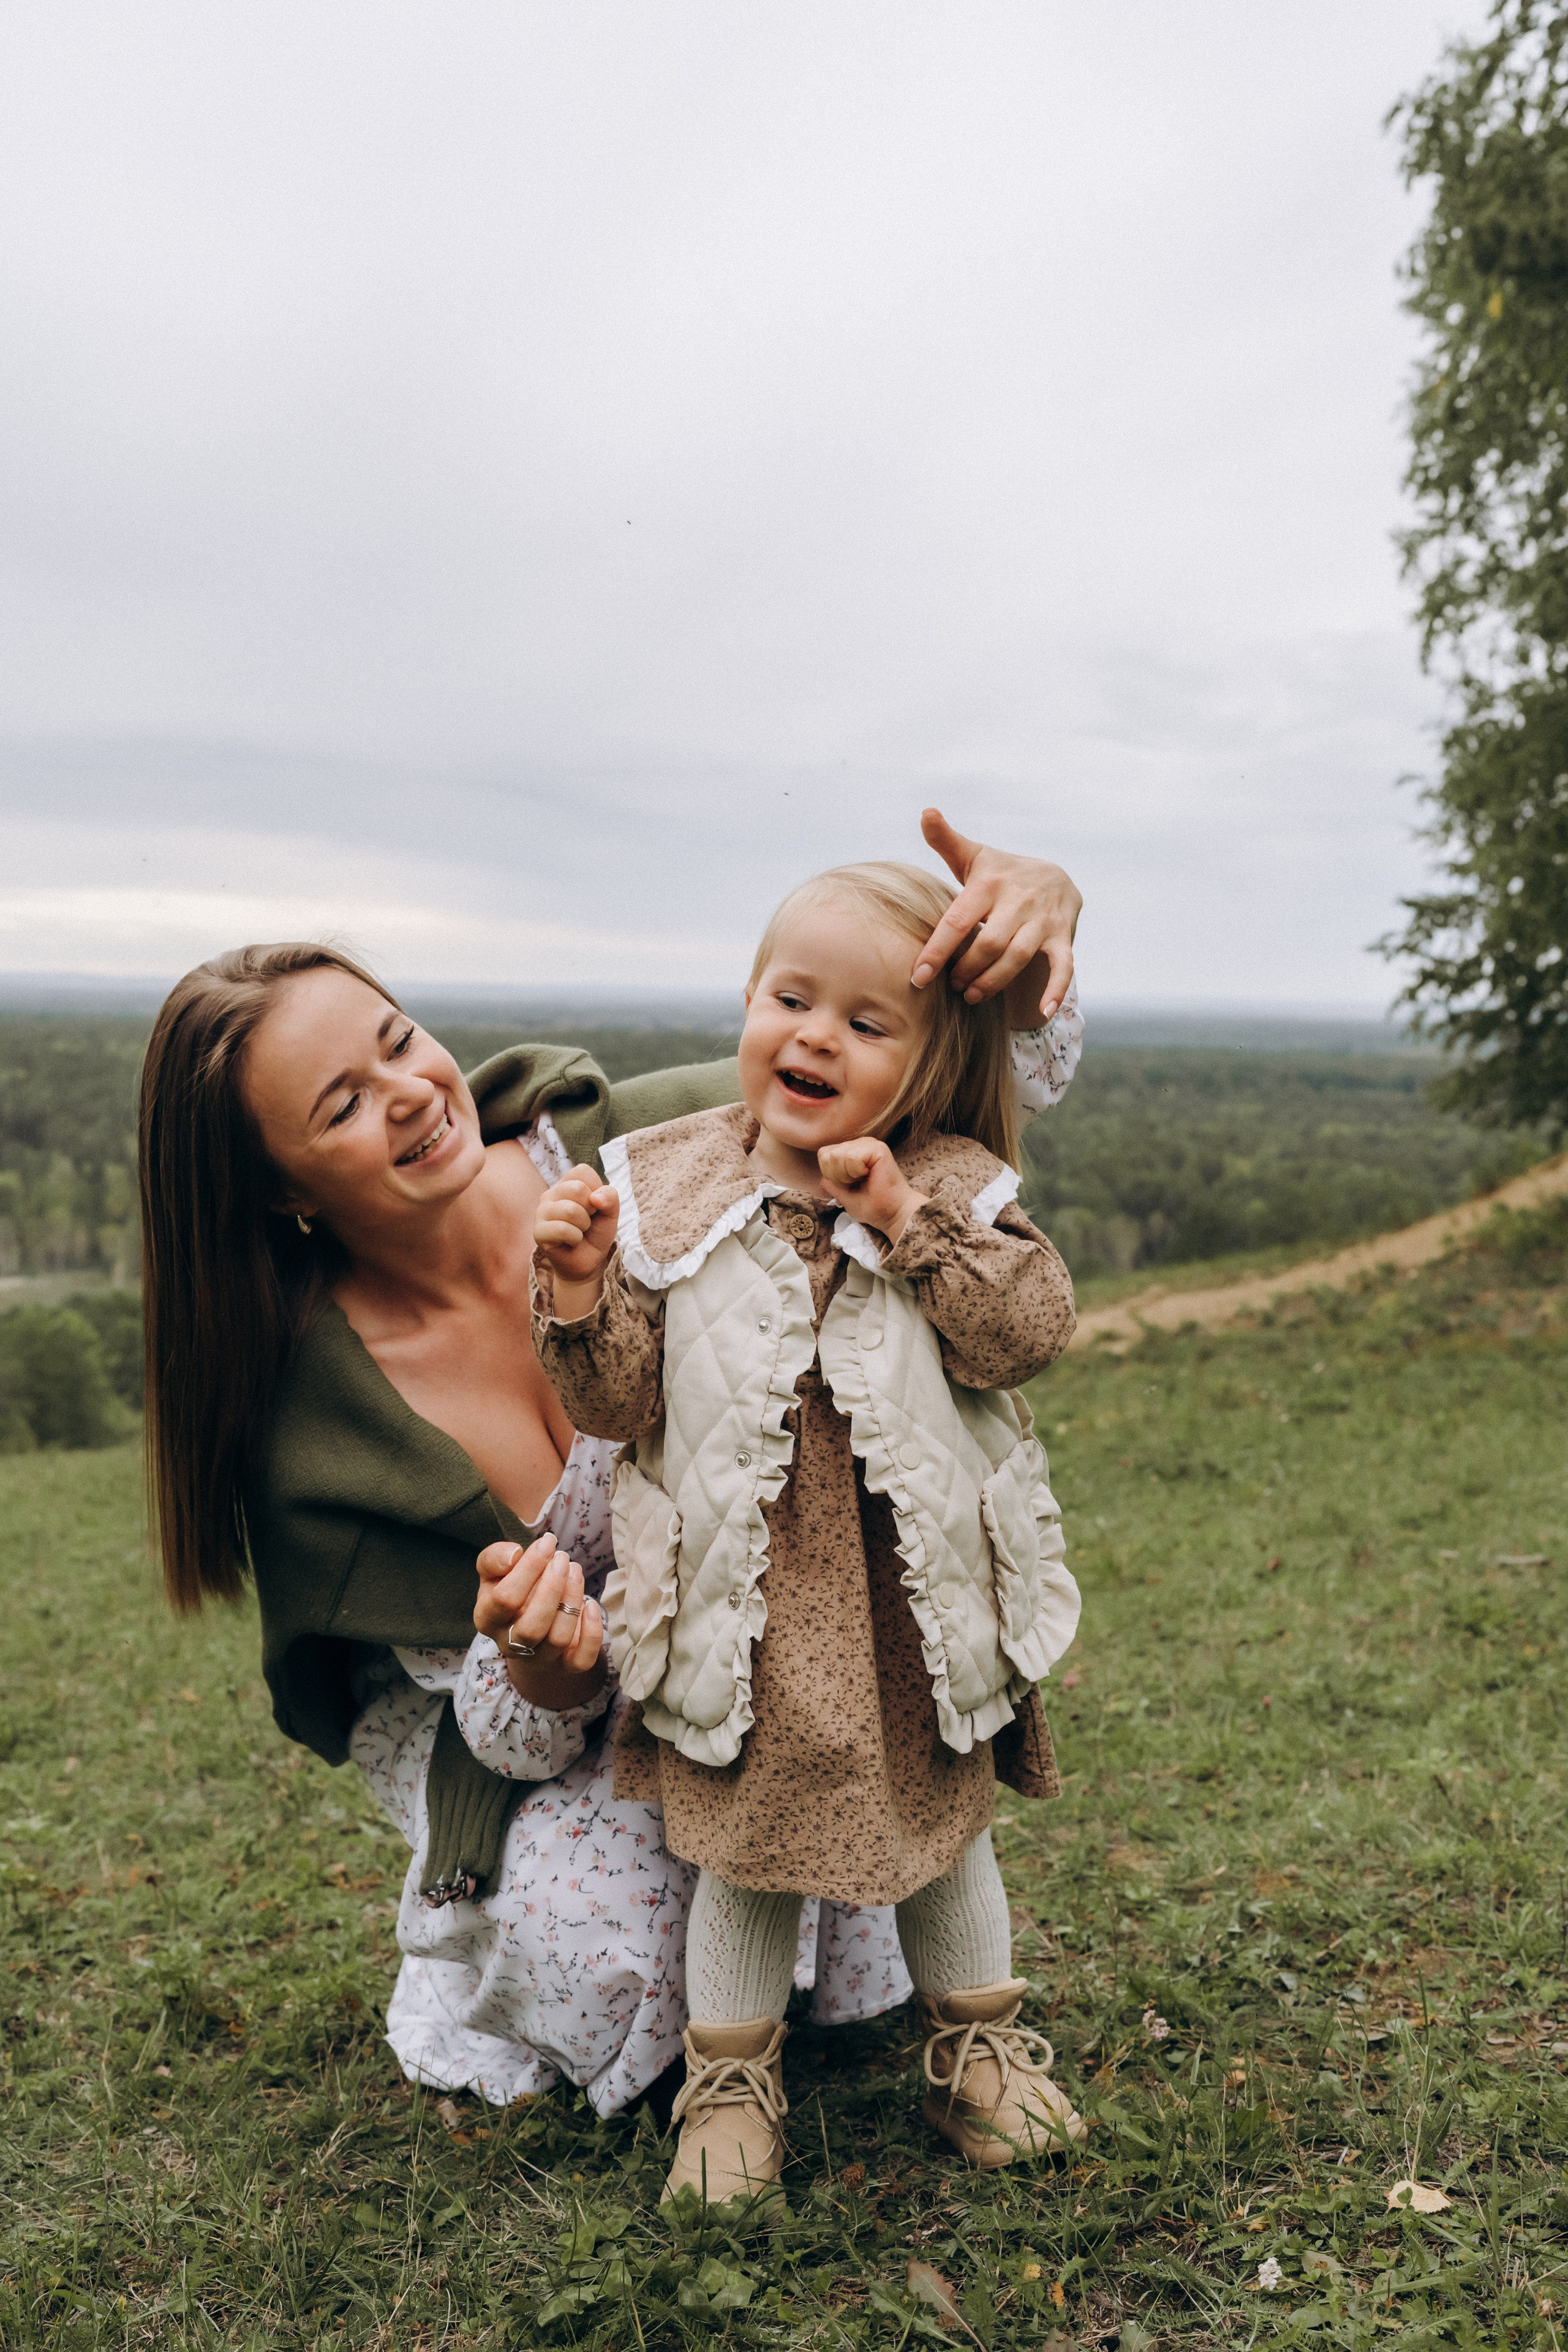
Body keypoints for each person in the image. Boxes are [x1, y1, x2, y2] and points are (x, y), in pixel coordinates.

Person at [137, 810, 1083, 2121]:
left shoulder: (648, 1154)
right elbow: (452, 1738)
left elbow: (904, 1073)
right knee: (616, 1955)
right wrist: (540, 1672)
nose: (411, 1093)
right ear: (276, 1190)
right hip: (552, 1732)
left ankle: (955, 2026)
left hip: (768, 1633)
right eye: (341, 1105)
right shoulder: (318, 1433)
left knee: (849, 1802)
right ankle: (720, 2077)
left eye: (399, 1042)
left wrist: (1023, 943)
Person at [528, 858, 1084, 2200]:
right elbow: (613, 1403)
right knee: (744, 1848)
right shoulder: (665, 1188)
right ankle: (727, 2086)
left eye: (865, 1022)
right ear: (747, 1001)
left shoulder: (950, 1181)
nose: (814, 1036)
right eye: (790, 997)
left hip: (908, 1600)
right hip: (745, 1601)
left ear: (928, 1059)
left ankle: (977, 2051)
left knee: (945, 1825)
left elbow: (1023, 1336)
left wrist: (905, 1225)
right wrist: (577, 1286)